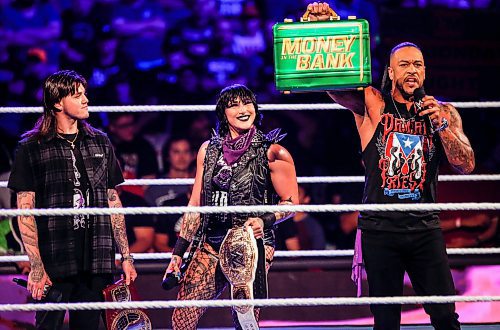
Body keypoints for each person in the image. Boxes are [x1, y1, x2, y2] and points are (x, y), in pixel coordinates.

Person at [308, 3, 475, 329]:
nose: (412, 70)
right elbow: (333, 87)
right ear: (392, 71)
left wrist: (441, 125)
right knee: (386, 321)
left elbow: (466, 164)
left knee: (444, 315)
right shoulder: (373, 103)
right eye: (405, 64)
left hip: (425, 228)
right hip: (380, 231)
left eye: (418, 64)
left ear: (425, 72)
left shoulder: (444, 111)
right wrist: (326, 29)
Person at [7, 70, 137, 329]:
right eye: (77, 96)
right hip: (54, 255)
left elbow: (113, 201)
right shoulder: (32, 147)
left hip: (96, 257)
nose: (86, 100)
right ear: (57, 102)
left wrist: (126, 256)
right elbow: (25, 210)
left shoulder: (100, 141)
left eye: (84, 94)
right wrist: (36, 266)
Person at [163, 84, 299, 330]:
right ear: (222, 112)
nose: (243, 109)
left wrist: (264, 220)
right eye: (234, 104)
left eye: (247, 103)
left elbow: (291, 204)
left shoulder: (273, 153)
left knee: (245, 321)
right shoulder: (209, 150)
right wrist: (178, 252)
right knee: (182, 319)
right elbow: (196, 204)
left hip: (250, 245)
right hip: (211, 241)